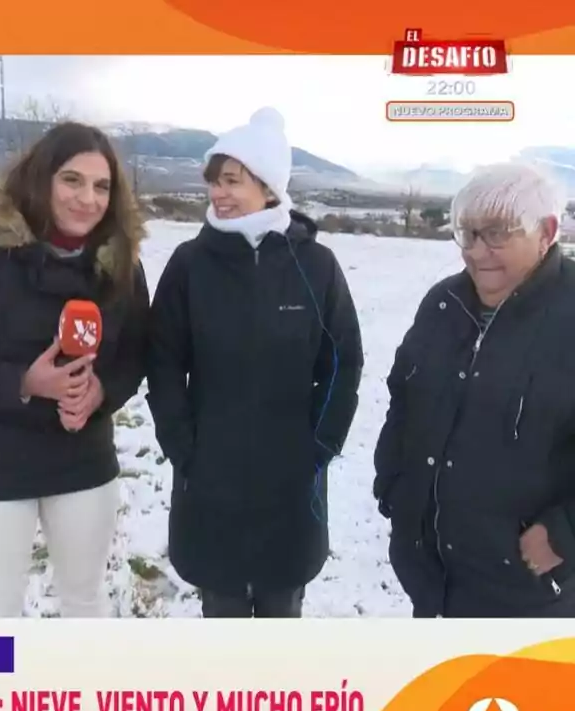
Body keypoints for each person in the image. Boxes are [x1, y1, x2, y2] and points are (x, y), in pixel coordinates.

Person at [0, 122, 150, 618]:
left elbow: (138, 354)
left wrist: (102, 391)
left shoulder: (121, 268)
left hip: (82, 463)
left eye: (102, 186)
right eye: (72, 180)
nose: (88, 199)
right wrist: (22, 382)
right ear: (42, 180)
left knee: (85, 601)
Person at [146, 108, 364, 618]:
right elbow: (162, 361)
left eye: (231, 180)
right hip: (210, 471)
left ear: (269, 188)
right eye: (213, 182)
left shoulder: (315, 266)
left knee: (281, 610)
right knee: (220, 607)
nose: (218, 193)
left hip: (291, 474)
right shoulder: (189, 265)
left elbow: (342, 360)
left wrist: (321, 443)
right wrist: (182, 445)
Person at [374, 162, 575, 618]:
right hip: (432, 579)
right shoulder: (443, 304)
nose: (479, 252)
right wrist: (394, 486)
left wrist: (565, 534)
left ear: (546, 231)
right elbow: (404, 399)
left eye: (498, 234)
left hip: (529, 593)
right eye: (468, 234)